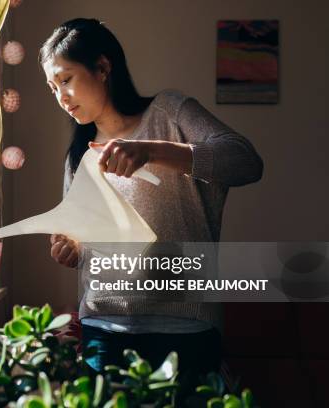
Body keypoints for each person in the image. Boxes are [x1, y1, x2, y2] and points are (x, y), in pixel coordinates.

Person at [40, 18, 263, 401]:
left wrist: (152, 151)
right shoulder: (79, 153)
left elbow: (246, 162)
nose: (60, 95)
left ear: (103, 68)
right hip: (102, 331)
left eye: (66, 79)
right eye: (52, 86)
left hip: (186, 330)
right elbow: (81, 244)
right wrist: (71, 248)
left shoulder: (170, 113)